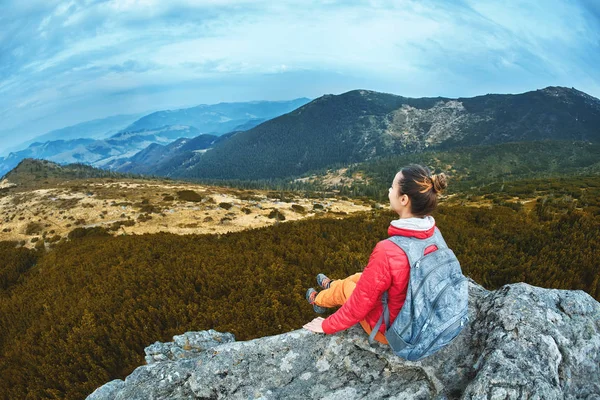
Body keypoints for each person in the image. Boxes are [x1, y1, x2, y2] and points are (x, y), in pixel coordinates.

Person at [303, 164, 448, 344]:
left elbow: (359, 305)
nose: (389, 190)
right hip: (416, 318)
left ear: (403, 199)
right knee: (360, 277)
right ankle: (332, 285)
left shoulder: (388, 250)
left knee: (349, 289)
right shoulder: (433, 233)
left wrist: (326, 326)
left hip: (393, 331)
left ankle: (318, 301)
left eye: (392, 187)